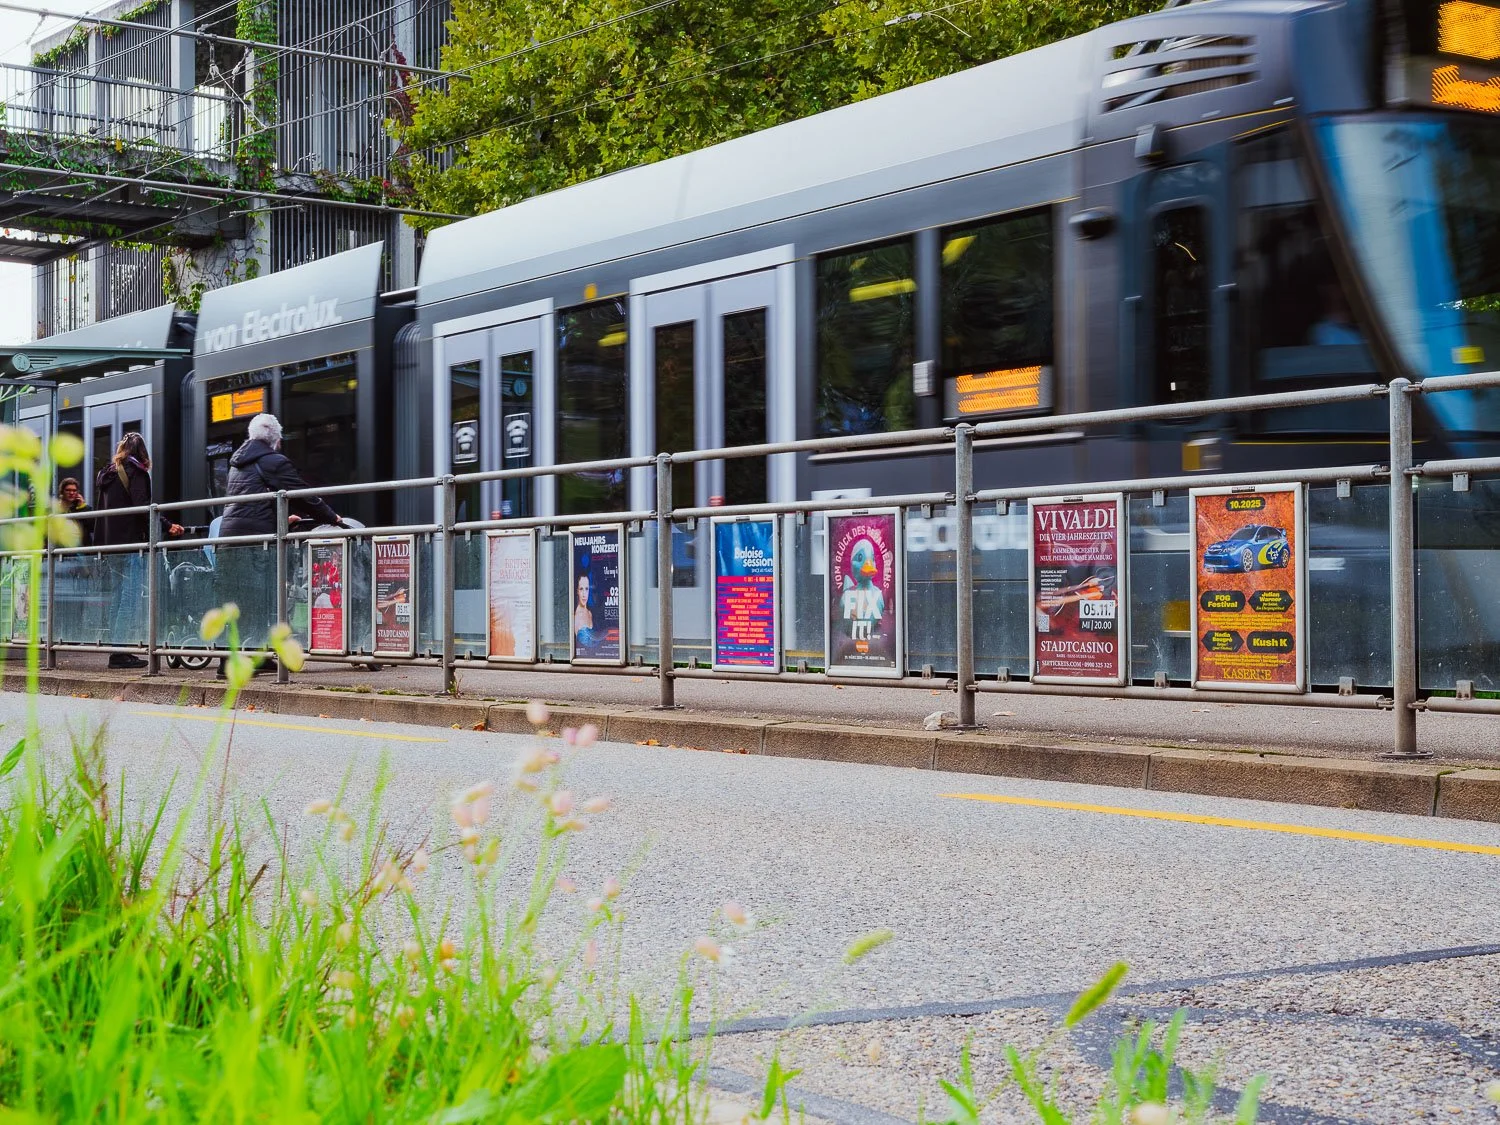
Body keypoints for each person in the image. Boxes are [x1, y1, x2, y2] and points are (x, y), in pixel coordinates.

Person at [217, 414, 341, 673]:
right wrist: (332, 517)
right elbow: (302, 495)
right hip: (256, 542)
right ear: (277, 440)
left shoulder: (236, 463)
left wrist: (282, 518)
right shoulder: (274, 461)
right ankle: (256, 657)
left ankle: (229, 660)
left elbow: (250, 501)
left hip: (230, 538)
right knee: (262, 599)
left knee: (237, 602)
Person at [94, 433, 183, 668]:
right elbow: (143, 508)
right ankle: (119, 653)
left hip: (110, 544)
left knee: (118, 598)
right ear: (143, 453)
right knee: (130, 598)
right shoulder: (137, 473)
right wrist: (167, 525)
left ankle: (117, 649)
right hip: (130, 544)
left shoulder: (108, 473)